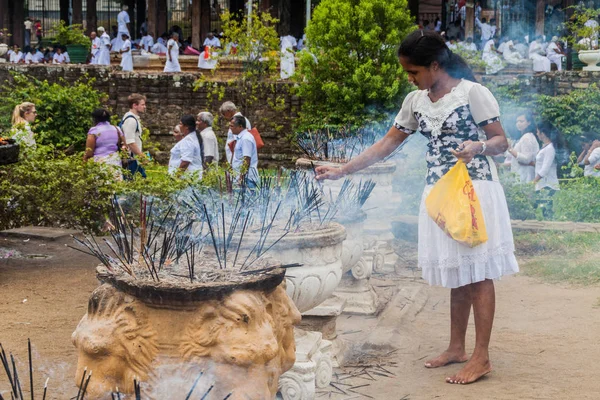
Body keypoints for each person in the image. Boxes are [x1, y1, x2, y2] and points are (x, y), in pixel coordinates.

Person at [316, 30, 519, 385]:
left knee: (479, 272)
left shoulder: (473, 93)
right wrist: (342, 170)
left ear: (435, 65)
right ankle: (457, 348)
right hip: (439, 193)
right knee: (459, 269)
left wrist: (477, 147)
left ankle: (481, 357)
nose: (410, 78)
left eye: (414, 71)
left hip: (475, 190)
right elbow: (387, 144)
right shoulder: (415, 101)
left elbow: (501, 141)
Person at [84, 108, 126, 181]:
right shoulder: (117, 129)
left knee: (101, 186)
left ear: (94, 119)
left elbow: (89, 152)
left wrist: (84, 161)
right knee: (115, 185)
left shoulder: (94, 131)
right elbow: (125, 145)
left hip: (100, 162)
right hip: (115, 161)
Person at [507, 112, 539, 183]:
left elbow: (526, 159)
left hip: (525, 176)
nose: (518, 123)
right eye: (517, 121)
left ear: (529, 122)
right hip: (521, 175)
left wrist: (510, 149)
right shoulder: (524, 137)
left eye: (521, 121)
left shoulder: (527, 137)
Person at [121, 94, 147, 179]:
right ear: (134, 105)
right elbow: (130, 142)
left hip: (134, 158)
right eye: (142, 104)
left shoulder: (132, 118)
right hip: (132, 160)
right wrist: (142, 157)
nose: (144, 107)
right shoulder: (131, 120)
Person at [229, 115, 258, 186]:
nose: (230, 129)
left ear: (240, 127)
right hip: (240, 177)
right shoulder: (240, 138)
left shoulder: (246, 139)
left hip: (247, 179)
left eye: (232, 126)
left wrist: (241, 178)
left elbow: (247, 160)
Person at [532, 121, 561, 192]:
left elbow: (545, 168)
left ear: (543, 134)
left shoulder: (550, 148)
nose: (537, 134)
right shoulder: (545, 147)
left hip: (548, 185)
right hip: (542, 185)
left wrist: (533, 182)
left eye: (538, 132)